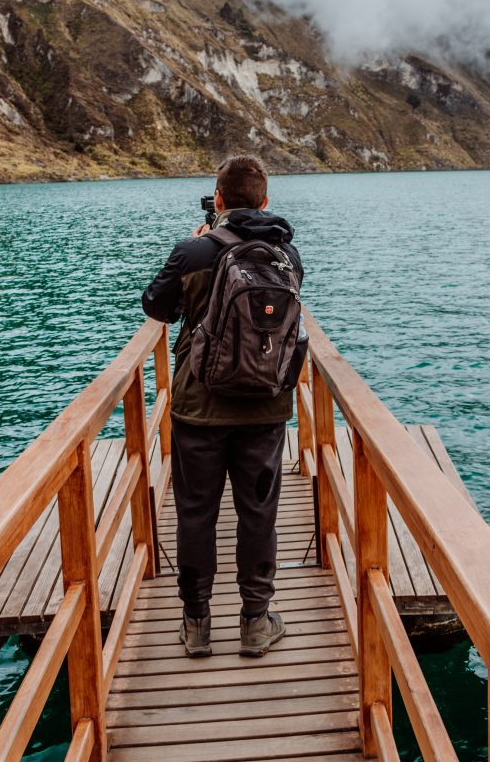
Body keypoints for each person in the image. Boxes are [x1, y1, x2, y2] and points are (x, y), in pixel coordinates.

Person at [141, 155, 303, 658]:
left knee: (195, 513)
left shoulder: (192, 251)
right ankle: (255, 621)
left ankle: (196, 624)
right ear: (265, 201)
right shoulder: (287, 256)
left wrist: (195, 244)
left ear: (218, 199)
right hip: (265, 408)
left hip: (199, 409)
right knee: (258, 514)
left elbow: (156, 307)